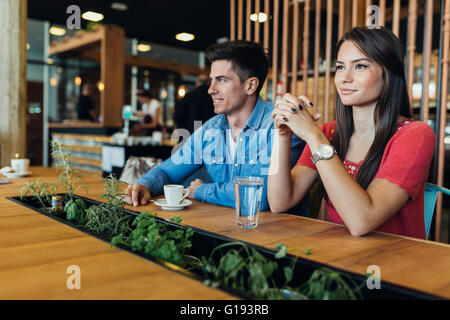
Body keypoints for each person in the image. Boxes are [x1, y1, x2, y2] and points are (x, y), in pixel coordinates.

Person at [268, 26, 435, 239]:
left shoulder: (415, 136)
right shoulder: (330, 132)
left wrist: (313, 135)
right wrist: (282, 136)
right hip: (340, 260)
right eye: (340, 67)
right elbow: (279, 201)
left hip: (394, 266)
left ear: (389, 74)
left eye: (360, 66)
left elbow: (361, 222)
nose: (344, 78)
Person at [125, 40, 308, 213]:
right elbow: (168, 170)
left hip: (279, 239)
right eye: (212, 80)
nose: (211, 89)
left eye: (221, 80)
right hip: (224, 231)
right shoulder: (210, 130)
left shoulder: (280, 126)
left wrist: (203, 190)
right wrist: (145, 184)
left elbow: (260, 195)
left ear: (251, 86)